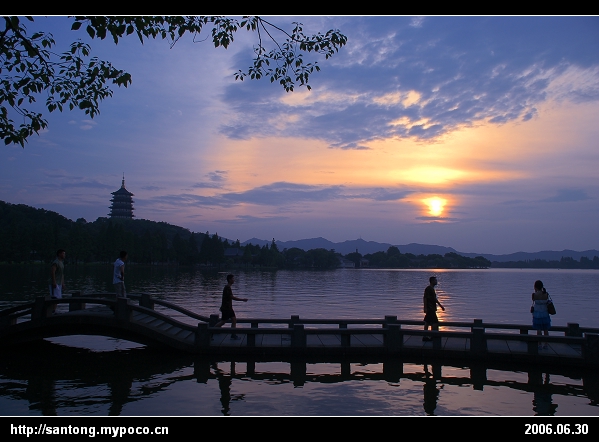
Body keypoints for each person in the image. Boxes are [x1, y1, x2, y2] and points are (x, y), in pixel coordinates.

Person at [214, 274, 248, 340]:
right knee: (223, 322)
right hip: (226, 308)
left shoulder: (228, 287)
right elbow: (231, 297)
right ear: (229, 280)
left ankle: (233, 334)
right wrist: (242, 299)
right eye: (233, 279)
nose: (234, 280)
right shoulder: (227, 288)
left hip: (229, 308)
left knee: (234, 320)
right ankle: (210, 331)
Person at [423, 276, 445, 341]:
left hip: (432, 308)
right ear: (432, 281)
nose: (436, 282)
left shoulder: (432, 289)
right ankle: (433, 335)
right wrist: (425, 308)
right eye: (435, 280)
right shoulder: (428, 288)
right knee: (434, 322)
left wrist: (440, 306)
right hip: (430, 309)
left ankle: (426, 335)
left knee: (427, 322)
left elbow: (434, 299)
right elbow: (425, 298)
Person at [531, 279, 550, 349]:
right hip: (545, 313)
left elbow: (533, 301)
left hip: (537, 314)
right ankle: (546, 344)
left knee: (538, 330)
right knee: (546, 329)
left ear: (535, 287)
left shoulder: (534, 295)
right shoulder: (546, 294)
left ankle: (539, 344)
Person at [49, 249, 66, 313]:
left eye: (64, 254)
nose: (64, 255)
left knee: (58, 298)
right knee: (54, 298)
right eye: (63, 253)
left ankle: (53, 310)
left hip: (59, 283)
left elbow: (62, 274)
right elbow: (52, 272)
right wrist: (54, 282)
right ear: (59, 254)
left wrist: (63, 283)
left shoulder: (61, 263)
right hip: (55, 283)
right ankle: (52, 311)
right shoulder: (56, 262)